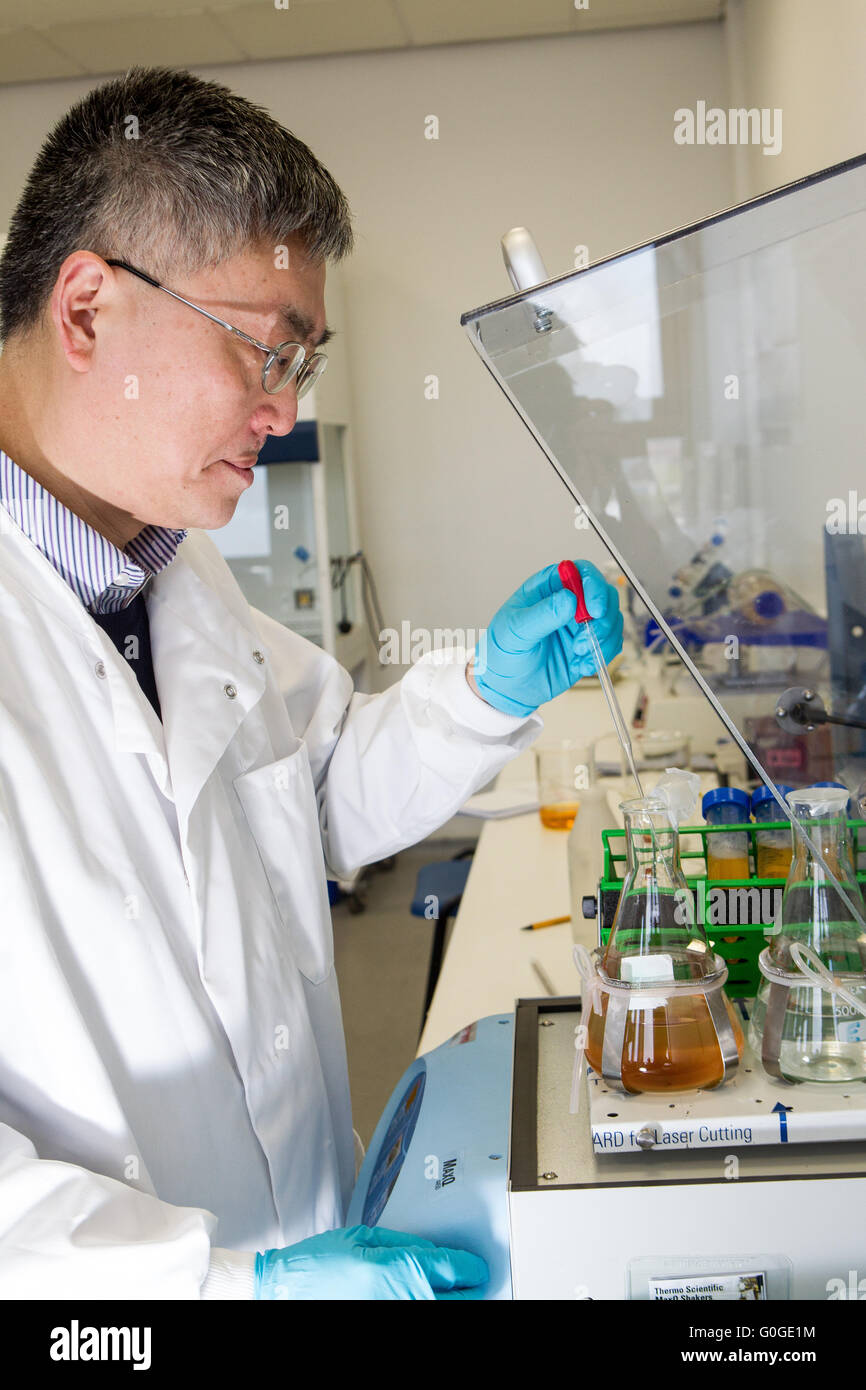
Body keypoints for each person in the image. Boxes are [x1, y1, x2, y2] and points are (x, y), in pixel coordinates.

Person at [0, 66, 622, 1300]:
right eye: (264, 353)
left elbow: (317, 798)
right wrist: (233, 1286)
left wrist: (485, 691)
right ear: (86, 311)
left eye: (307, 363)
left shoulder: (169, 566)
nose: (284, 413)